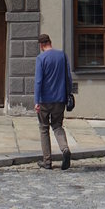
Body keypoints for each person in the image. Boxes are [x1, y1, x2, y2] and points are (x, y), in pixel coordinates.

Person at [34, 33, 73, 171]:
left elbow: (38, 81)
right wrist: (69, 94)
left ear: (41, 45)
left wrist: (36, 101)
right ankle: (65, 149)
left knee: (44, 128)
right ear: (50, 42)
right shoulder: (62, 55)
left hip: (45, 100)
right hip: (60, 99)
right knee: (57, 126)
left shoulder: (41, 58)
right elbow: (68, 77)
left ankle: (47, 161)